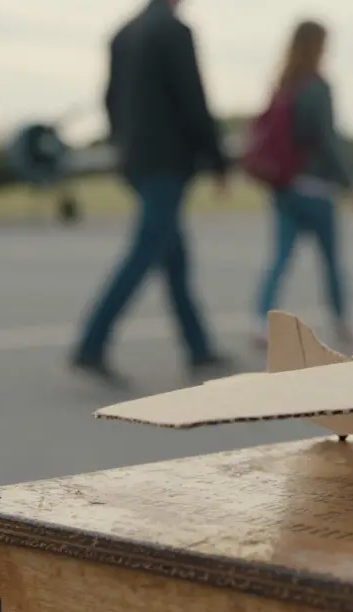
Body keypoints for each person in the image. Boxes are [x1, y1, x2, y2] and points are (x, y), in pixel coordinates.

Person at [70, 0, 231, 385]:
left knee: (173, 256)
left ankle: (199, 348)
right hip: (167, 162)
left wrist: (123, 148)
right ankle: (90, 345)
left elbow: (109, 99)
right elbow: (193, 99)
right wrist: (217, 158)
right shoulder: (174, 31)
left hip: (136, 161)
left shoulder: (124, 34)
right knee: (145, 251)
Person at [248, 19, 353, 351]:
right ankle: (343, 320)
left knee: (280, 257)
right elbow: (327, 139)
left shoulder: (284, 85)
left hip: (285, 187)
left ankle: (261, 320)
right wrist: (350, 182)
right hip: (315, 187)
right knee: (331, 260)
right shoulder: (318, 87)